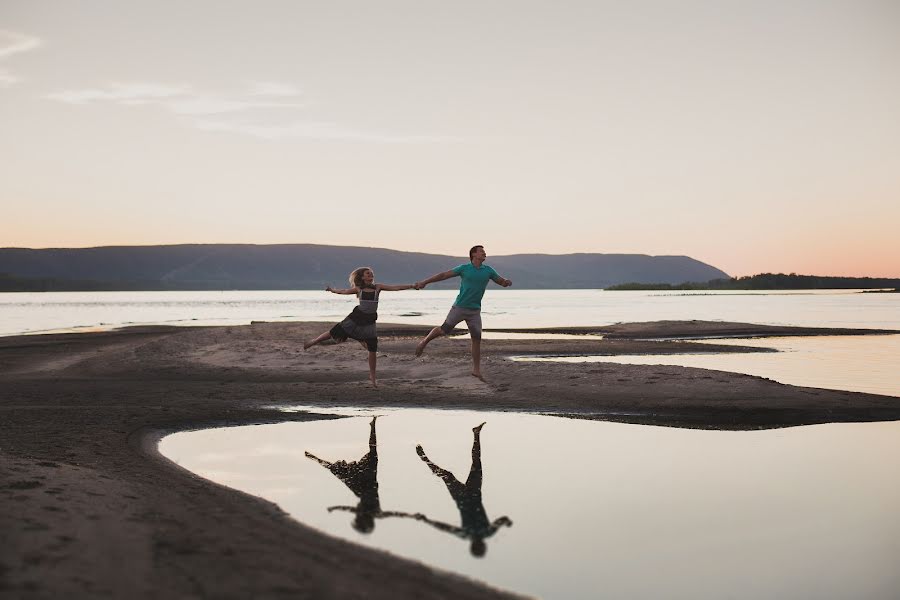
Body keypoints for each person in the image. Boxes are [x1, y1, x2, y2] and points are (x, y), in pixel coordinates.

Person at [303, 266, 416, 387]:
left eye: (371, 273)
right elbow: (343, 291)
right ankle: (314, 341)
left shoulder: (378, 287)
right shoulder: (358, 289)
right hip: (357, 317)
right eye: (368, 273)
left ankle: (372, 377)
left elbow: (396, 288)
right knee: (335, 331)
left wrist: (411, 286)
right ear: (362, 277)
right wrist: (332, 290)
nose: (370, 275)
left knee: (372, 349)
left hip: (369, 320)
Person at [412, 423, 512, 557]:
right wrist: (505, 522)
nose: (480, 545)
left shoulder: (469, 534)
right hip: (474, 493)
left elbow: (445, 528)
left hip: (462, 497)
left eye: (478, 547)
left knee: (447, 475)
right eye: (481, 547)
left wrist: (426, 520)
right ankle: (476, 433)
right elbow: (502, 519)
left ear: (473, 546)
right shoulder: (486, 533)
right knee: (475, 463)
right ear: (483, 546)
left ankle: (425, 459)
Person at [305, 417, 418, 533]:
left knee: (336, 470)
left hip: (359, 486)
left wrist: (335, 508)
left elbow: (348, 509)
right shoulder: (376, 513)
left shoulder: (364, 512)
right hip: (368, 481)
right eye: (359, 520)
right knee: (372, 453)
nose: (357, 517)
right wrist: (411, 516)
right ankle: (372, 425)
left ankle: (314, 458)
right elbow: (395, 514)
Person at [414, 245, 511, 379]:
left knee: (476, 339)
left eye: (484, 252)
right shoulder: (464, 268)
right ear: (473, 255)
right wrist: (425, 282)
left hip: (475, 311)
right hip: (459, 308)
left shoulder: (488, 270)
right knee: (443, 330)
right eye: (481, 252)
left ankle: (476, 370)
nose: (484, 253)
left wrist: (506, 282)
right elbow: (443, 275)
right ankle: (424, 342)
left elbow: (500, 281)